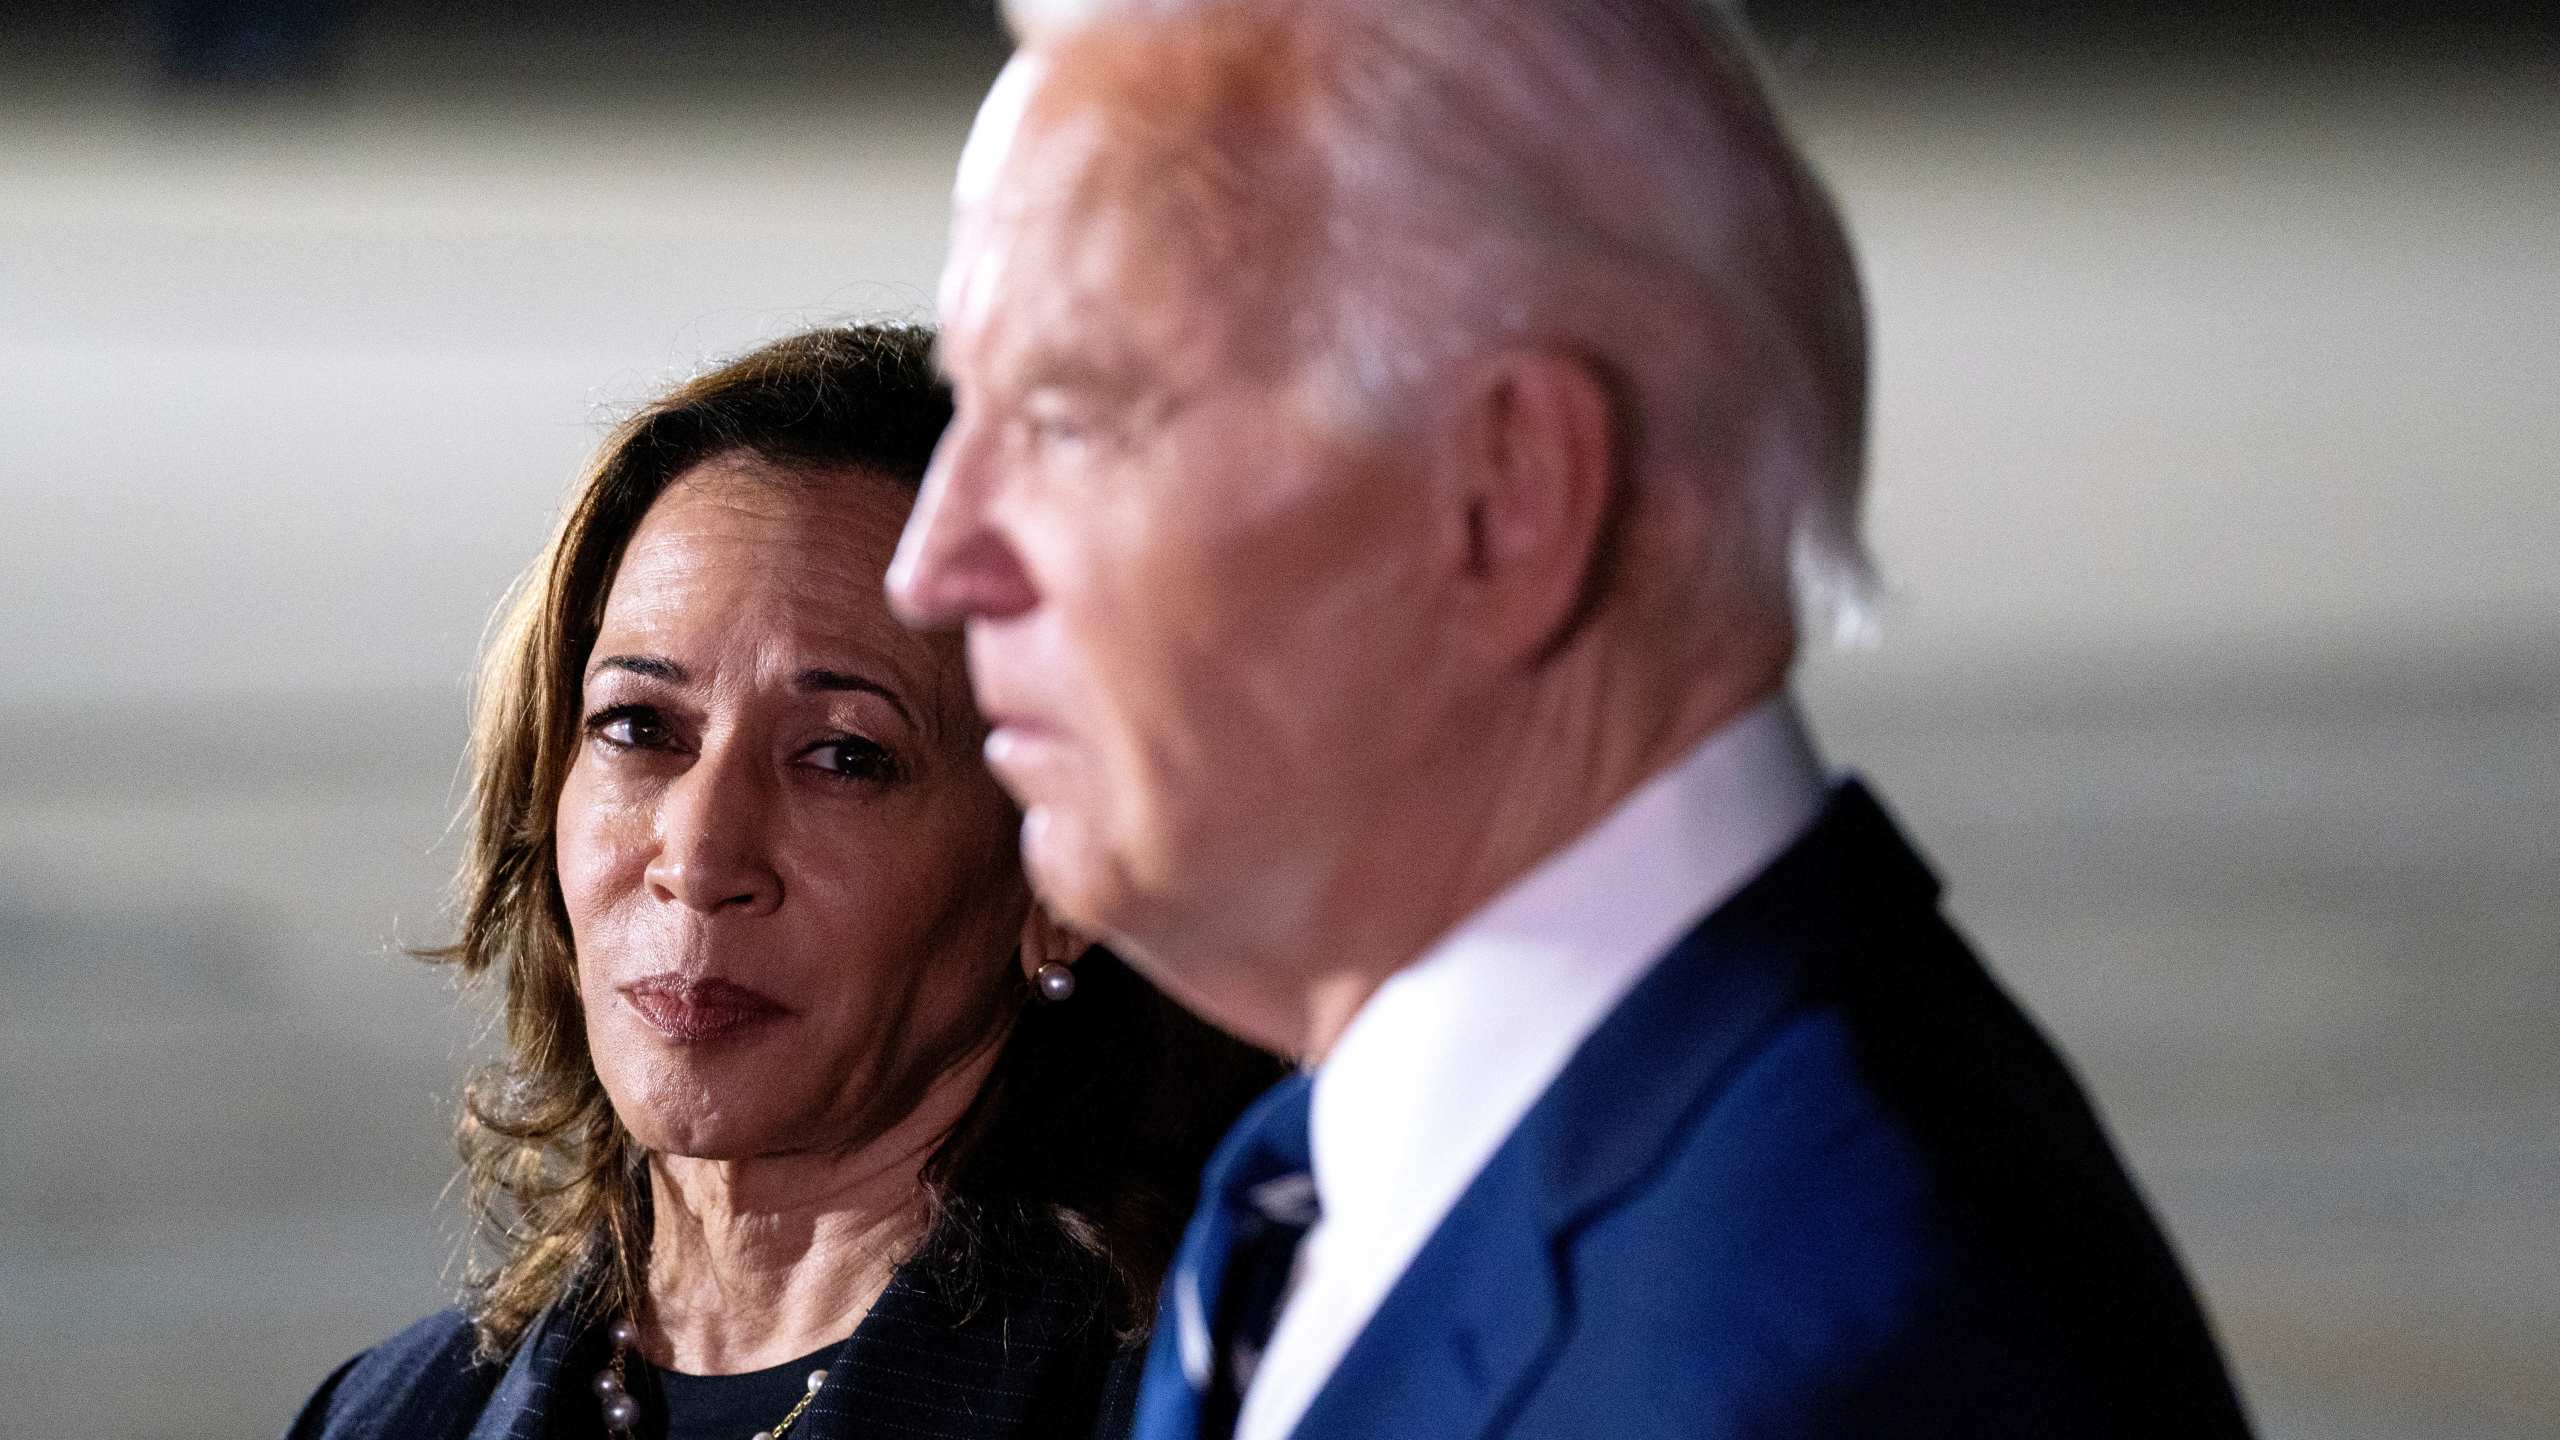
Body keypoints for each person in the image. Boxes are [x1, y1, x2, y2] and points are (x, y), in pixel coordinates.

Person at [886, 3, 2257, 1437]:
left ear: (1508, 495)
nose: (935, 563)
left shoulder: (1835, 1366)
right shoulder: (1355, 1157)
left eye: (1068, 418)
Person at [288, 324, 1277, 1440]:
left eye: (844, 755)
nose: (701, 861)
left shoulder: (1220, 1400)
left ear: (1062, 876)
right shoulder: (390, 1416)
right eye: (637, 726)